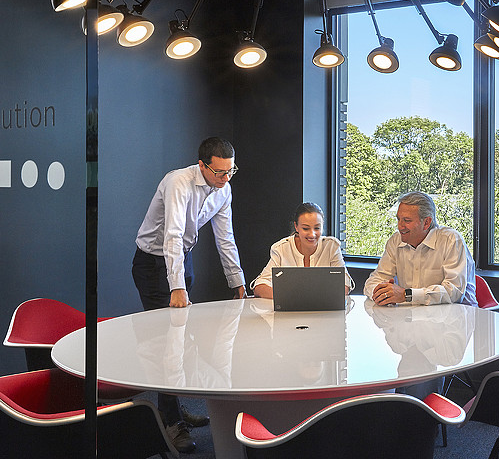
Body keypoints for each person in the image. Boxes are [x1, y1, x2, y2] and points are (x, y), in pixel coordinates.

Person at [131, 136, 247, 454]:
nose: (226, 179)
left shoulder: (224, 189)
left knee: (181, 342)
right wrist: (177, 287)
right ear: (202, 165)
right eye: (220, 172)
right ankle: (170, 421)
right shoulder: (177, 182)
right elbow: (171, 235)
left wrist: (237, 281)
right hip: (154, 264)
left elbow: (226, 238)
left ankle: (175, 407)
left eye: (231, 172)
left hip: (182, 258)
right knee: (167, 344)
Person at [363, 191, 477, 308]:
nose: (400, 226)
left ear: (427, 222)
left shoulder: (451, 240)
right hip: (411, 317)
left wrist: (406, 295)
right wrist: (382, 294)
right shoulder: (395, 241)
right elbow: (373, 281)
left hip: (457, 317)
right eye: (399, 219)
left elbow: (454, 292)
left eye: (407, 221)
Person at [251, 202, 354, 298]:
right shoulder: (282, 248)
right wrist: (287, 298)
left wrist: (312, 299)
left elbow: (345, 285)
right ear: (296, 226)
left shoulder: (331, 246)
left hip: (323, 313)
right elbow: (260, 286)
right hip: (288, 314)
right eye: (306, 228)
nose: (312, 234)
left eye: (317, 228)